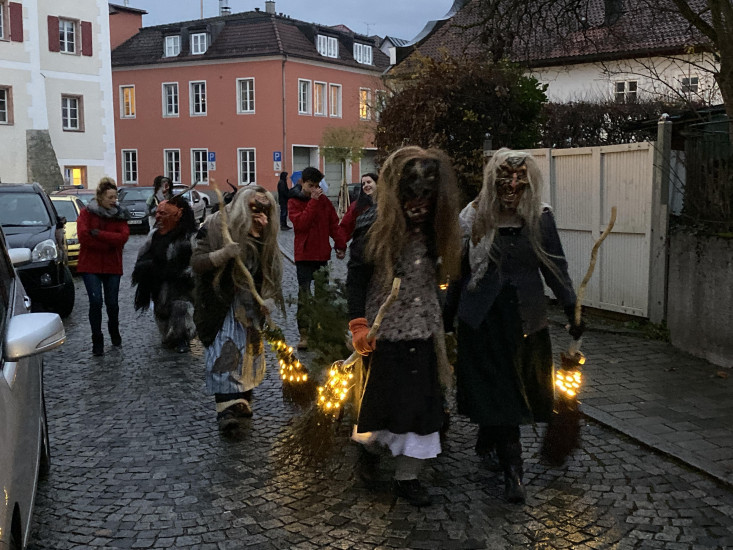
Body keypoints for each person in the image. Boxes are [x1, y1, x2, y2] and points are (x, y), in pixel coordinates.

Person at [445, 148, 583, 504]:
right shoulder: (473, 218)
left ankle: (490, 438)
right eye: (504, 179)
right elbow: (459, 271)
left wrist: (571, 307)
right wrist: (447, 317)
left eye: (520, 179)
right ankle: (513, 471)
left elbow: (555, 267)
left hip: (526, 321)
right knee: (502, 393)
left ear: (529, 183)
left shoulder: (540, 218)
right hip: (483, 323)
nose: (512, 185)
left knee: (510, 392)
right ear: (493, 181)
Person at [346, 146, 461, 507]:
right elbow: (356, 278)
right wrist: (359, 325)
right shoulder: (373, 226)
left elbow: (446, 273)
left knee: (422, 409)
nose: (420, 203)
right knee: (381, 404)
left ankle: (407, 477)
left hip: (424, 331)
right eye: (413, 194)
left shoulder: (436, 228)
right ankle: (368, 452)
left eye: (427, 194)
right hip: (384, 334)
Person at [190, 186, 284, 433]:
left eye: (265, 211)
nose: (261, 216)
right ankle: (225, 409)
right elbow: (197, 263)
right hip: (220, 305)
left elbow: (268, 270)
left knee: (250, 353)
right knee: (225, 353)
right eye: (255, 209)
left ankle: (242, 400)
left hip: (250, 306)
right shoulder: (214, 226)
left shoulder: (263, 233)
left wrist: (267, 298)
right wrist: (223, 254)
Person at [287, 166, 346, 350]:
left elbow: (333, 224)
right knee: (304, 295)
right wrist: (312, 202)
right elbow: (301, 224)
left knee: (323, 296)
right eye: (311, 185)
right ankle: (304, 334)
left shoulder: (324, 202)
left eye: (317, 185)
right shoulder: (294, 201)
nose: (314, 189)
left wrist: (340, 245)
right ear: (302, 183)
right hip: (304, 256)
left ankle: (320, 331)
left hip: (321, 255)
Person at [132, 196, 198, 353]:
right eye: (157, 213)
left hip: (183, 284)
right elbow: (143, 257)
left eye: (163, 213)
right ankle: (170, 337)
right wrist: (148, 268)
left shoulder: (190, 236)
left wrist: (189, 273)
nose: (158, 217)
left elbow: (197, 259)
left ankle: (182, 338)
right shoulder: (154, 235)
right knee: (163, 310)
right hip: (160, 282)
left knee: (181, 307)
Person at [76, 177, 131, 356]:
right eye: (110, 197)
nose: (114, 201)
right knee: (95, 302)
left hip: (112, 265)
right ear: (101, 197)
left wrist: (99, 234)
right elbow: (84, 237)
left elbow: (123, 237)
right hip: (90, 265)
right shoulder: (86, 214)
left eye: (115, 197)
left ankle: (114, 331)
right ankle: (97, 339)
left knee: (112, 304)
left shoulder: (119, 215)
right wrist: (108, 244)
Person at [338, 172, 378, 244]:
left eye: (369, 182)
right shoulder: (356, 206)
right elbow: (346, 226)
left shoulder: (386, 203)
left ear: (377, 184)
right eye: (363, 184)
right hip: (362, 245)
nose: (366, 185)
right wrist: (340, 243)